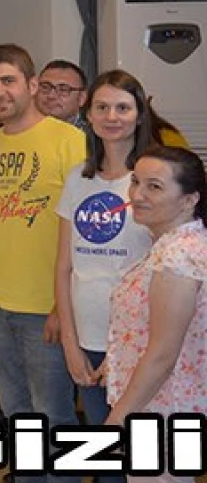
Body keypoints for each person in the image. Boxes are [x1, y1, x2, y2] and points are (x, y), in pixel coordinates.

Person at [0, 44, 85, 483]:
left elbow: (82, 234)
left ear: (32, 84)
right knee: (16, 411)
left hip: (45, 308)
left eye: (8, 80)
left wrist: (62, 307)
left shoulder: (70, 141)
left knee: (53, 417)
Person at [54, 70, 154, 473]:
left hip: (140, 342)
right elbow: (64, 266)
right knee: (105, 459)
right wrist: (70, 343)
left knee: (141, 458)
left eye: (123, 107)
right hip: (87, 338)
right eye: (103, 107)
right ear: (89, 114)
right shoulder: (78, 178)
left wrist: (125, 351)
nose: (112, 117)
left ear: (139, 114)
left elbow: (163, 269)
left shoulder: (153, 180)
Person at [104, 146, 207, 483]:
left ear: (189, 200)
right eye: (136, 182)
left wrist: (118, 419)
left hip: (163, 407)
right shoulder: (170, 246)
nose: (137, 195)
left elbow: (163, 353)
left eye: (155, 186)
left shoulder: (178, 257)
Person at [36, 59, 88, 129]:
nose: (51, 96)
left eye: (63, 90)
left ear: (82, 98)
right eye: (45, 87)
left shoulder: (91, 134)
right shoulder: (24, 130)